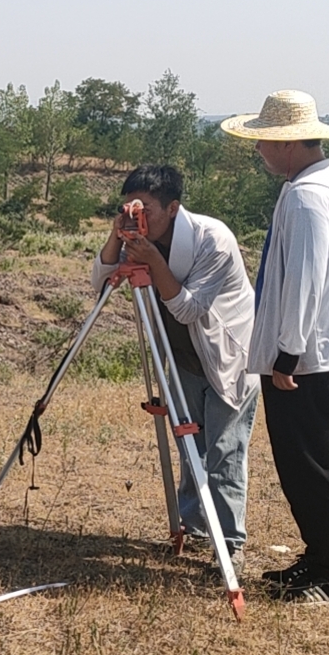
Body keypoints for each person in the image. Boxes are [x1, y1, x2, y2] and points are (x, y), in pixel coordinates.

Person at [221, 90, 329, 605]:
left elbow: (305, 280)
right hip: (327, 355)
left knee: (312, 469)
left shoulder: (309, 196)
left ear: (285, 143)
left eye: (264, 140)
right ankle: (317, 558)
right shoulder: (323, 186)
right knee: (308, 467)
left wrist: (287, 354)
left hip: (312, 362)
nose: (259, 149)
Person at [93, 165, 258, 564]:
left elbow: (188, 308)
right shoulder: (137, 238)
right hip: (183, 360)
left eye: (145, 208)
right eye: (130, 207)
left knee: (223, 453)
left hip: (227, 358)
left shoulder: (212, 239)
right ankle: (196, 527)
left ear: (173, 207)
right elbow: (99, 284)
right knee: (190, 449)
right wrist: (117, 239)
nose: (137, 215)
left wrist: (152, 258)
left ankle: (229, 544)